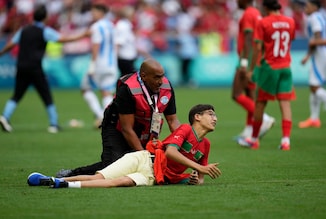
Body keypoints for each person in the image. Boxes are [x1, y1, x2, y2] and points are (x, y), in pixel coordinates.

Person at [27, 104, 221, 188]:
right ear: (197, 117)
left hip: (153, 176)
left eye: (215, 115)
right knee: (100, 176)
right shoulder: (186, 129)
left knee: (118, 183)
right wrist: (200, 168)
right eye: (210, 114)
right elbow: (170, 152)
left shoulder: (206, 145)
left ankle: (63, 185)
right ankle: (52, 179)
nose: (215, 118)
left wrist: (195, 178)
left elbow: (201, 178)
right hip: (144, 159)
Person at [56, 58, 180, 177]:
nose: (160, 81)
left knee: (139, 165)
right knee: (113, 166)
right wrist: (145, 156)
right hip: (116, 127)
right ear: (144, 76)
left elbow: (172, 120)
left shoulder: (166, 87)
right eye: (156, 77)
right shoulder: (128, 89)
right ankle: (71, 174)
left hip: (144, 128)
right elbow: (127, 128)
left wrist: (186, 142)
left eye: (162, 76)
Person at [0, 5, 87, 133]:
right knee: (46, 95)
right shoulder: (45, 31)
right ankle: (53, 124)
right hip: (35, 67)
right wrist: (84, 35)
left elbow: (11, 43)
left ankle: (5, 116)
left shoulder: (23, 30)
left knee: (17, 94)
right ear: (45, 18)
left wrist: (0, 53)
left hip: (21, 66)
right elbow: (63, 39)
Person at [238, 0, 296, 150]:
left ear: (266, 7)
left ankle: (254, 139)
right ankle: (286, 141)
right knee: (285, 104)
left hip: (269, 67)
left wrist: (251, 69)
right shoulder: (290, 21)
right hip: (286, 67)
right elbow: (290, 41)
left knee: (260, 104)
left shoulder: (263, 22)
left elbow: (257, 48)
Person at [232, 0, 275, 140]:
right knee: (250, 95)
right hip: (256, 60)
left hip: (247, 60)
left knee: (236, 94)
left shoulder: (248, 14)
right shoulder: (257, 13)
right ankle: (249, 130)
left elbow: (249, 40)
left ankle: (264, 118)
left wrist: (244, 63)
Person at [78, 4, 118, 128]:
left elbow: (96, 45)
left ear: (101, 12)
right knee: (106, 92)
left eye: (94, 11)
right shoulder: (111, 25)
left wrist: (92, 64)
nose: (92, 14)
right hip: (111, 64)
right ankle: (109, 118)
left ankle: (100, 115)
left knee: (85, 89)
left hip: (99, 64)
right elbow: (115, 45)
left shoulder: (96, 27)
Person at [298, 0, 326, 128]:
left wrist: (312, 44)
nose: (305, 9)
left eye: (307, 6)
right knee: (315, 87)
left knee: (314, 87)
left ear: (314, 7)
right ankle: (314, 118)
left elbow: (318, 39)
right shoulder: (323, 16)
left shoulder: (314, 18)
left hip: (320, 55)